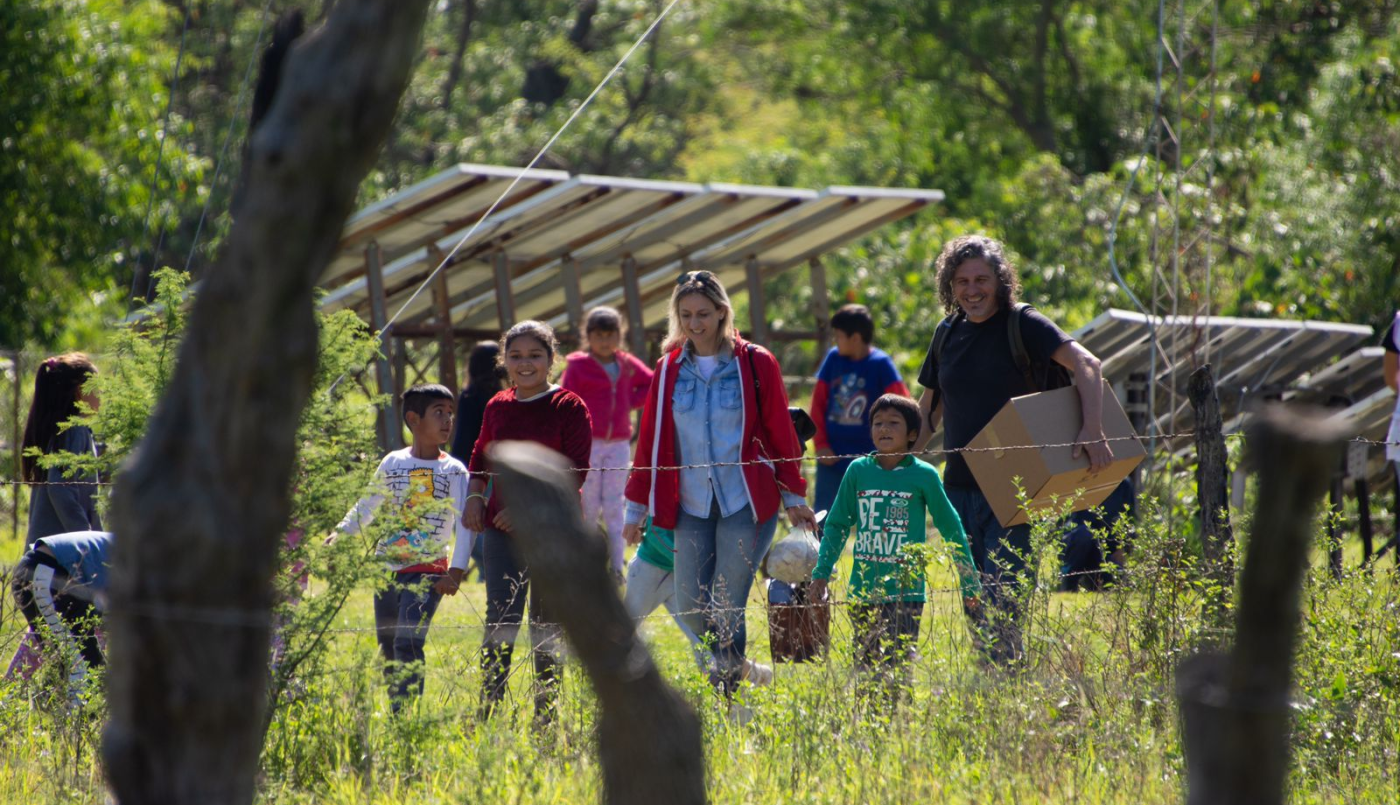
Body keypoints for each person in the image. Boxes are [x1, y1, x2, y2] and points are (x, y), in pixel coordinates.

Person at [912, 235, 1112, 664]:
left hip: (1015, 487)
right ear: (950, 285)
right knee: (973, 600)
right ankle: (993, 682)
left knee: (1003, 600)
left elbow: (1087, 364)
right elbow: (927, 413)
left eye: (982, 279)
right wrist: (893, 463)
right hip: (957, 490)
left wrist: (1093, 428)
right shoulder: (946, 333)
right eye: (962, 280)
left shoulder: (1023, 324)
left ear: (1001, 281)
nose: (972, 289)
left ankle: (1006, 683)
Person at [621, 269, 817, 696]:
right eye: (686, 314)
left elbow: (781, 436)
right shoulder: (668, 368)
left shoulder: (755, 362)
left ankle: (725, 696)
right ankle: (739, 668)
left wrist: (793, 495)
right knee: (692, 603)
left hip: (745, 502)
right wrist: (635, 509)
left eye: (704, 313)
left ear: (722, 312)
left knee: (726, 603)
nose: (695, 323)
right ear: (677, 316)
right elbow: (650, 440)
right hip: (689, 503)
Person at [810, 394, 980, 705]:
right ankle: (871, 728)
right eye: (877, 423)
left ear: (912, 434)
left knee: (897, 666)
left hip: (907, 592)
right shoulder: (858, 471)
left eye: (893, 423)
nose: (884, 429)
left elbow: (950, 525)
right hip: (863, 590)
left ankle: (894, 725)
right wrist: (821, 573)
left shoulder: (924, 475)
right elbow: (836, 525)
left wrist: (968, 578)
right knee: (865, 664)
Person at [465, 321, 592, 725]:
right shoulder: (497, 405)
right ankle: (489, 709)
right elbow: (479, 456)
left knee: (546, 623)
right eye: (516, 356)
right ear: (504, 360)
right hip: (501, 533)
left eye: (535, 355)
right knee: (500, 619)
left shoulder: (569, 407)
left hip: (555, 532)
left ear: (551, 360)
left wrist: (525, 512)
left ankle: (546, 715)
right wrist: (473, 496)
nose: (525, 364)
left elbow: (576, 471)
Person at [331, 383, 473, 712]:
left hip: (428, 573)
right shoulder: (392, 463)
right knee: (388, 645)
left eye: (450, 414)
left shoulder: (454, 471)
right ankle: (398, 712)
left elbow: (465, 524)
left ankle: (404, 719)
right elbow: (367, 505)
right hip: (387, 570)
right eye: (439, 412)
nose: (448, 420)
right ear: (413, 419)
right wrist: (341, 533)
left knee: (408, 643)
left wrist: (456, 570)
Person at [9, 353, 103, 682]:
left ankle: (11, 694)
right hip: (59, 565)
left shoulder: (67, 434)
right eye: (96, 385)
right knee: (78, 653)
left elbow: (86, 504)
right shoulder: (74, 432)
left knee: (58, 636)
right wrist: (90, 545)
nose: (102, 394)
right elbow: (61, 491)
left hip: (44, 564)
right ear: (78, 391)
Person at [560, 306, 654, 579]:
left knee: (615, 505)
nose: (605, 341)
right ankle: (586, 567)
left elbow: (650, 383)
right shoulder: (578, 365)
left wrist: (628, 403)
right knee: (587, 505)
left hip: (618, 444)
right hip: (588, 443)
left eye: (610, 335)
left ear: (619, 335)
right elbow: (568, 399)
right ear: (588, 336)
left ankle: (616, 567)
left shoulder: (624, 363)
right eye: (599, 335)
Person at [623, 518, 773, 685]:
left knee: (702, 640)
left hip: (681, 578)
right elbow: (655, 533)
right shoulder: (666, 494)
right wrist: (686, 563)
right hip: (649, 570)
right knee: (622, 630)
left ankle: (737, 682)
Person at [811, 304, 910, 515]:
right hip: (832, 457)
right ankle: (822, 550)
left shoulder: (881, 364)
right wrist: (820, 446)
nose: (836, 342)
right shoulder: (833, 359)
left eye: (839, 336)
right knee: (824, 519)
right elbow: (818, 405)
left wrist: (892, 452)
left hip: (872, 460)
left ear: (855, 338)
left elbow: (903, 407)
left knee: (879, 517)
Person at [10, 530, 113, 705]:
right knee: (82, 668)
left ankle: (53, 715)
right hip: (46, 572)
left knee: (85, 664)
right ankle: (76, 728)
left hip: (60, 578)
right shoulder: (147, 559)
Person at [448, 341, 503, 581]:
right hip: (500, 470)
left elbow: (462, 439)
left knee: (467, 522)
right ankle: (490, 570)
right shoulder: (504, 397)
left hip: (473, 469)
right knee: (490, 522)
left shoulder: (470, 397)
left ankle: (487, 570)